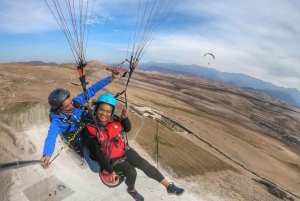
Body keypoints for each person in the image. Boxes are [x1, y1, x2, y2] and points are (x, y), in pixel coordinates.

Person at [82, 93, 185, 201]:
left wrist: (125, 119)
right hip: (110, 158)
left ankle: (169, 186)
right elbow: (97, 154)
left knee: (143, 163)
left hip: (123, 149)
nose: (104, 114)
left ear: (111, 112)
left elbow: (127, 129)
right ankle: (131, 191)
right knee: (131, 171)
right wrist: (110, 171)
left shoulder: (113, 120)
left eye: (108, 111)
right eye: (102, 110)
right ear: (96, 108)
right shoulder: (90, 130)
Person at [41, 69, 120, 169]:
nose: (71, 106)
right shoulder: (57, 121)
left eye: (70, 102)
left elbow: (92, 89)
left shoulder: (76, 102)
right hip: (78, 139)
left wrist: (111, 78)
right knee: (96, 167)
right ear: (59, 108)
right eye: (67, 106)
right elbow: (51, 137)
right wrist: (46, 155)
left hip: (86, 126)